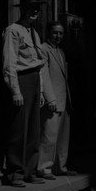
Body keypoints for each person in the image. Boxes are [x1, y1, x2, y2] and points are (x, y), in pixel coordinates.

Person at [2, 0, 46, 187]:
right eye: (29, 8)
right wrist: (15, 90)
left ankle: (30, 170)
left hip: (35, 81)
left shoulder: (34, 33)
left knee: (34, 129)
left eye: (36, 8)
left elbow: (38, 64)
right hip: (22, 81)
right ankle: (15, 173)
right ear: (22, 9)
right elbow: (9, 63)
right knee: (19, 128)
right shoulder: (13, 30)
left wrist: (41, 90)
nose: (33, 12)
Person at [37, 21, 77, 180]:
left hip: (64, 99)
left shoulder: (60, 51)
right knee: (49, 135)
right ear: (48, 33)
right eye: (55, 32)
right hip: (52, 99)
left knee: (62, 136)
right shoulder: (43, 49)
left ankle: (60, 166)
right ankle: (44, 168)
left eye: (61, 33)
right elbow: (44, 75)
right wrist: (50, 98)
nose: (58, 36)